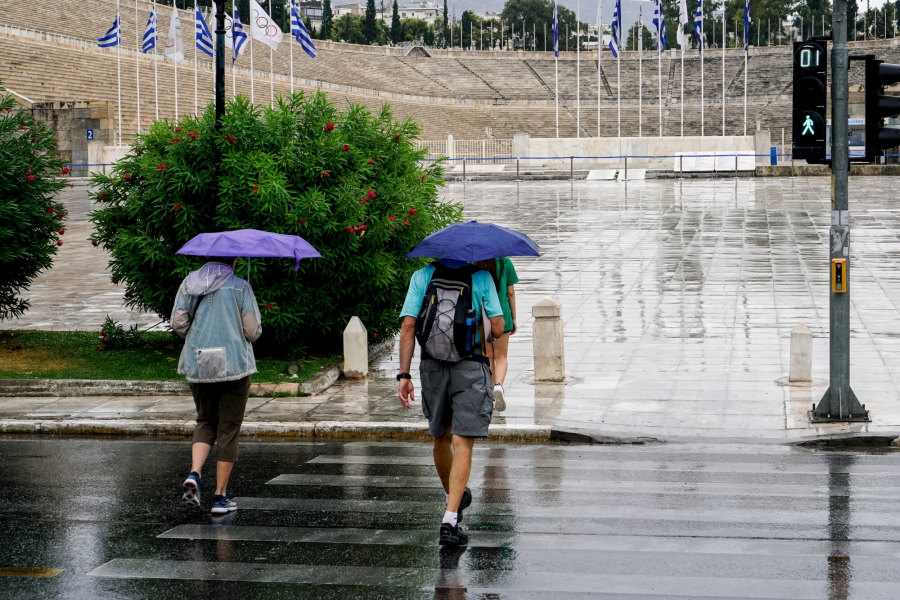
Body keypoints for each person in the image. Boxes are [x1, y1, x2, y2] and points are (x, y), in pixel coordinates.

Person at [397, 258, 504, 546]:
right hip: (471, 366)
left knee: (440, 436)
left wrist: (403, 374)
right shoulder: (481, 277)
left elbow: (409, 326)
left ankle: (452, 497)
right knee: (463, 441)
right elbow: (497, 328)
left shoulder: (422, 275)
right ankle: (450, 518)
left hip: (432, 366)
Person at [171, 257, 262, 514]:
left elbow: (178, 323)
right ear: (232, 261)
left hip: (199, 363)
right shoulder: (240, 286)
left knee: (206, 420)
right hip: (234, 364)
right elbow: (251, 331)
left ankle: (195, 473)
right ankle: (220, 497)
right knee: (229, 428)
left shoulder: (188, 283)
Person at [474, 257, 518, 412]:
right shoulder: (505, 262)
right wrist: (513, 317)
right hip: (502, 316)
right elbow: (510, 293)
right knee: (502, 357)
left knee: (489, 357)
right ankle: (498, 386)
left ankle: (490, 391)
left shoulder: (475, 263)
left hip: (483, 316)